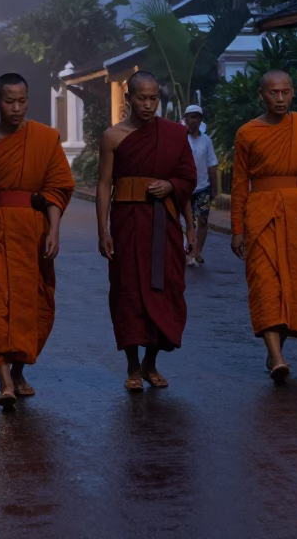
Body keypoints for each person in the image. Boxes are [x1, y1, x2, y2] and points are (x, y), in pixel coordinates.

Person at [0, 73, 74, 409]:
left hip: (33, 229)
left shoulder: (44, 138)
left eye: (22, 100)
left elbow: (57, 189)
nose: (17, 107)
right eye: (9, 101)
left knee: (32, 302)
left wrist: (53, 230)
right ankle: (4, 380)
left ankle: (20, 370)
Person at [230, 70, 297, 383]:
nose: (280, 99)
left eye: (285, 92)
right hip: (260, 212)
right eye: (273, 93)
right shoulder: (247, 133)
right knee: (265, 283)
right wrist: (237, 227)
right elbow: (238, 184)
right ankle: (276, 356)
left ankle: (276, 347)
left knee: (295, 284)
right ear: (261, 94)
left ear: (293, 93)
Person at [96, 71, 197, 391]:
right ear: (129, 99)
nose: (149, 104)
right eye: (142, 98)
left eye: (154, 98)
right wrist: (103, 230)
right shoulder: (113, 136)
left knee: (165, 289)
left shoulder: (175, 135)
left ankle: (151, 361)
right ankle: (132, 365)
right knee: (127, 291)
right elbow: (102, 185)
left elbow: (188, 179)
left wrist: (172, 189)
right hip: (126, 221)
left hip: (162, 220)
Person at [183, 104, 218, 267]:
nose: (193, 120)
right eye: (190, 117)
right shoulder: (181, 139)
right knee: (188, 221)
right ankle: (187, 251)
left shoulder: (206, 140)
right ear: (185, 119)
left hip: (203, 187)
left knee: (202, 220)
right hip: (185, 188)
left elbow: (212, 164)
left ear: (200, 119)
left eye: (196, 117)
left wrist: (214, 187)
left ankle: (198, 252)